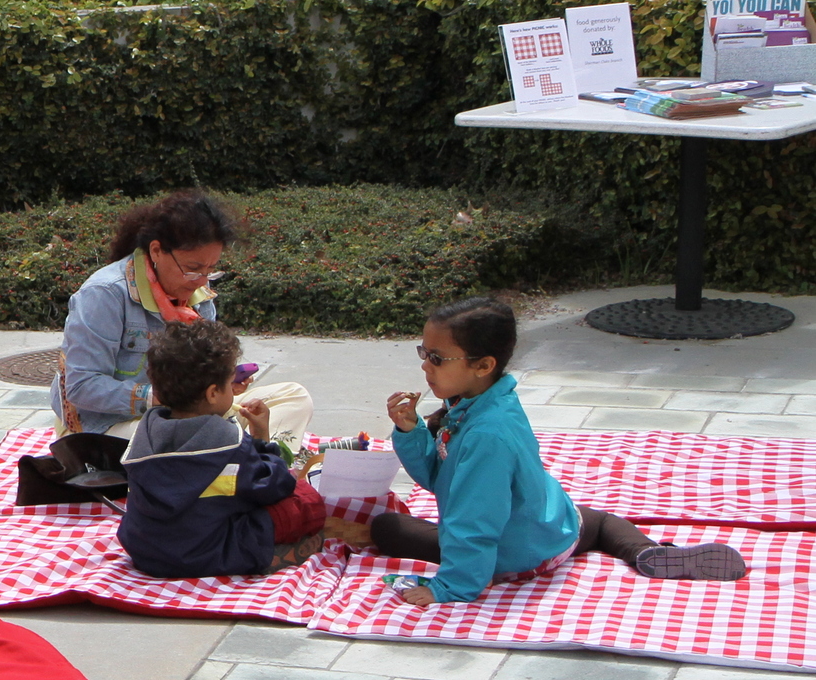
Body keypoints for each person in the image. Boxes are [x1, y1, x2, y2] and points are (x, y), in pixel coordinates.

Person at [373, 298, 746, 603]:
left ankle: (482, 569)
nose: (425, 365)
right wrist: (411, 431)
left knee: (390, 528)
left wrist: (449, 587)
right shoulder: (488, 400)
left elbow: (475, 523)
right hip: (551, 523)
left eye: (437, 358)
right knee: (598, 522)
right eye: (424, 352)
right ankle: (644, 552)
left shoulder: (486, 435)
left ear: (483, 365)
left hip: (516, 552)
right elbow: (443, 479)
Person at [51, 190, 314, 444]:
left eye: (211, 270)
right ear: (156, 251)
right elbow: (82, 387)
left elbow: (202, 371)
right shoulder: (105, 295)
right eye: (192, 269)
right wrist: (162, 397)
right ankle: (241, 455)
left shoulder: (199, 296)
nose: (200, 281)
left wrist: (222, 382)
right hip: (108, 426)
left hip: (186, 412)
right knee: (195, 433)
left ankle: (270, 461)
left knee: (294, 397)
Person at [118, 320, 324, 578]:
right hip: (207, 555)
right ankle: (270, 556)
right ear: (214, 392)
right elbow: (275, 487)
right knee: (306, 499)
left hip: (146, 552)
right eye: (230, 382)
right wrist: (261, 439)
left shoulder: (145, 432)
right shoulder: (228, 441)